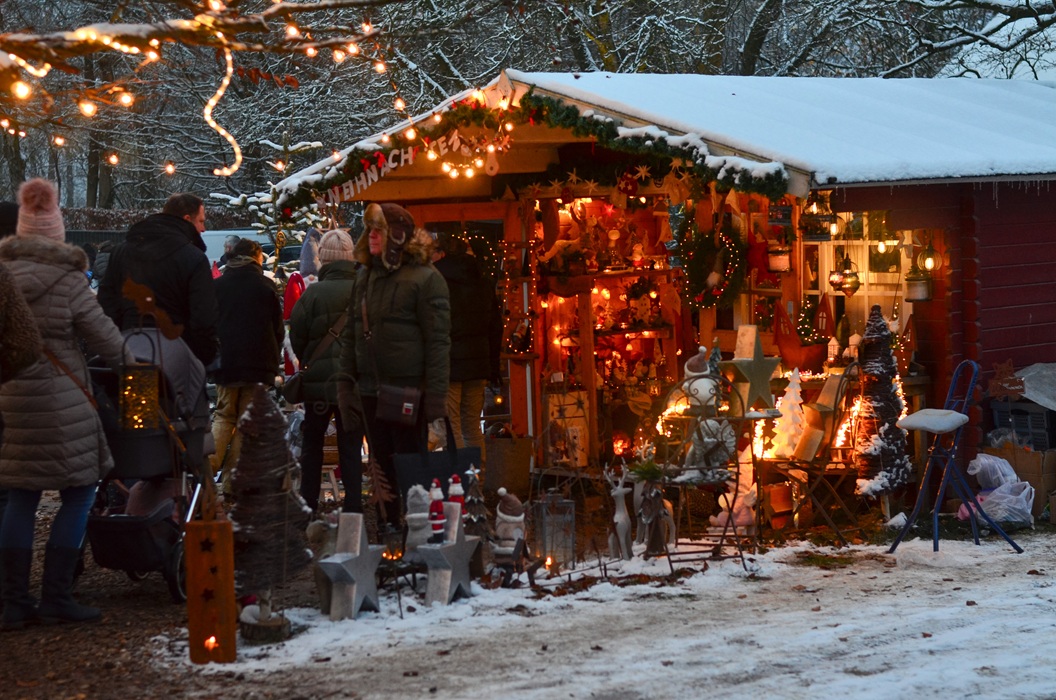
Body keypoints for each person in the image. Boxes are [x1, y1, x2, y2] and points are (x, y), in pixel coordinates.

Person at [0, 179, 133, 628]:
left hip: (12, 396)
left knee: (21, 495)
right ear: (57, 233)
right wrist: (137, 368)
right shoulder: (68, 280)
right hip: (63, 400)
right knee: (79, 492)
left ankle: (14, 602)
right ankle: (56, 595)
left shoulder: (3, 276)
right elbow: (105, 338)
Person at [337, 203, 450, 529]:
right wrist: (345, 384)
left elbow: (438, 340)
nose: (371, 236)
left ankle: (416, 530)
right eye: (369, 230)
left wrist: (436, 394)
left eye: (379, 230)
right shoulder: (365, 277)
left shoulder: (426, 279)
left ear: (397, 235)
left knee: (409, 464)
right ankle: (388, 528)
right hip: (370, 389)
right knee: (380, 466)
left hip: (407, 390)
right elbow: (351, 333)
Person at [288, 229, 363, 514]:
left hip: (318, 385)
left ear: (325, 259)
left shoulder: (313, 294)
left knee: (313, 445)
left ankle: (308, 504)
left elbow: (297, 337)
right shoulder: (363, 292)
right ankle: (354, 506)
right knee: (350, 446)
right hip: (352, 382)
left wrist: (311, 360)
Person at [98, 193, 219, 368]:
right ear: (187, 219)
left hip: (128, 351)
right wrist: (203, 357)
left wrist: (116, 345)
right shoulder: (194, 258)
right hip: (178, 355)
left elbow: (107, 304)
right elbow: (203, 319)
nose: (203, 228)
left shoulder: (121, 252)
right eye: (201, 221)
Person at [211, 238, 284, 494]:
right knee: (246, 423)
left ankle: (204, 476)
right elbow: (277, 329)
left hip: (226, 364)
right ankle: (234, 483)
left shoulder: (217, 286)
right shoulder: (265, 286)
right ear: (256, 257)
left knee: (223, 416)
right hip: (258, 366)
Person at [432, 233, 501, 462]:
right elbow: (495, 327)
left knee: (452, 426)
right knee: (472, 425)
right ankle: (478, 478)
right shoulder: (483, 282)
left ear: (442, 254)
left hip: (450, 364)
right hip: (478, 363)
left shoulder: (437, 282)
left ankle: (460, 477)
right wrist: (493, 366)